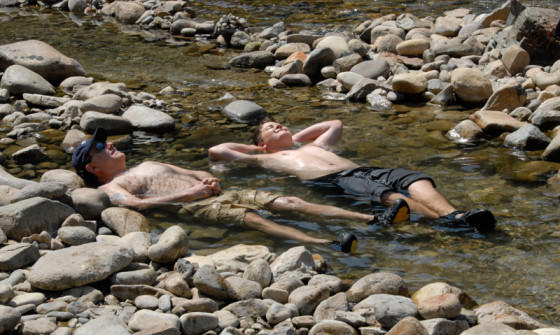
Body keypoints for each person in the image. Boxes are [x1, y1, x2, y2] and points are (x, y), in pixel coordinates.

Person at [71, 127, 410, 252]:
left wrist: (206, 179)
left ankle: (370, 218)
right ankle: (327, 243)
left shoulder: (146, 165)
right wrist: (186, 196)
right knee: (252, 219)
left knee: (287, 200)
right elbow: (135, 205)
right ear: (92, 167)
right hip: (193, 207)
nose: (110, 144)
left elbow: (194, 169)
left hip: (213, 194)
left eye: (107, 140)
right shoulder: (114, 186)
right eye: (102, 147)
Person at [208, 118, 497, 234]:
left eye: (280, 122)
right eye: (272, 127)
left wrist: (291, 137)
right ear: (262, 143)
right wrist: (260, 147)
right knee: (392, 198)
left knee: (415, 179)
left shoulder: (312, 144)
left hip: (363, 169)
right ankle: (446, 225)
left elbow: (335, 123)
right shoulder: (265, 159)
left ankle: (457, 215)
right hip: (334, 179)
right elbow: (217, 150)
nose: (279, 125)